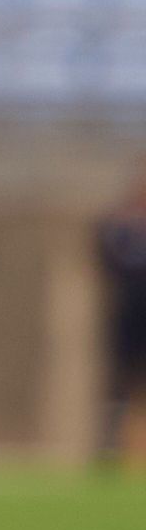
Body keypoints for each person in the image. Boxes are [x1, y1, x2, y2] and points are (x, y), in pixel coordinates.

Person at [100, 170, 146, 471]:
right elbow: (107, 259)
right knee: (119, 385)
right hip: (126, 319)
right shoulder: (119, 228)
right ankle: (114, 448)